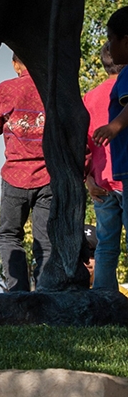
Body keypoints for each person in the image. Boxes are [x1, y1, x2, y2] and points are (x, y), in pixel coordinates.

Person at [0, 52, 50, 292]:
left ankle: (18, 293)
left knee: (10, 236)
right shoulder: (52, 88)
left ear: (15, 63)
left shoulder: (6, 89)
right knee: (45, 240)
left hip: (15, 176)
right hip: (48, 175)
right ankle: (46, 292)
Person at [85, 43, 126, 291]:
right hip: (125, 177)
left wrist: (88, 180)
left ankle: (103, 300)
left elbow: (84, 146)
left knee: (106, 246)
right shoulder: (124, 89)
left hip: (101, 183)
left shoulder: (89, 98)